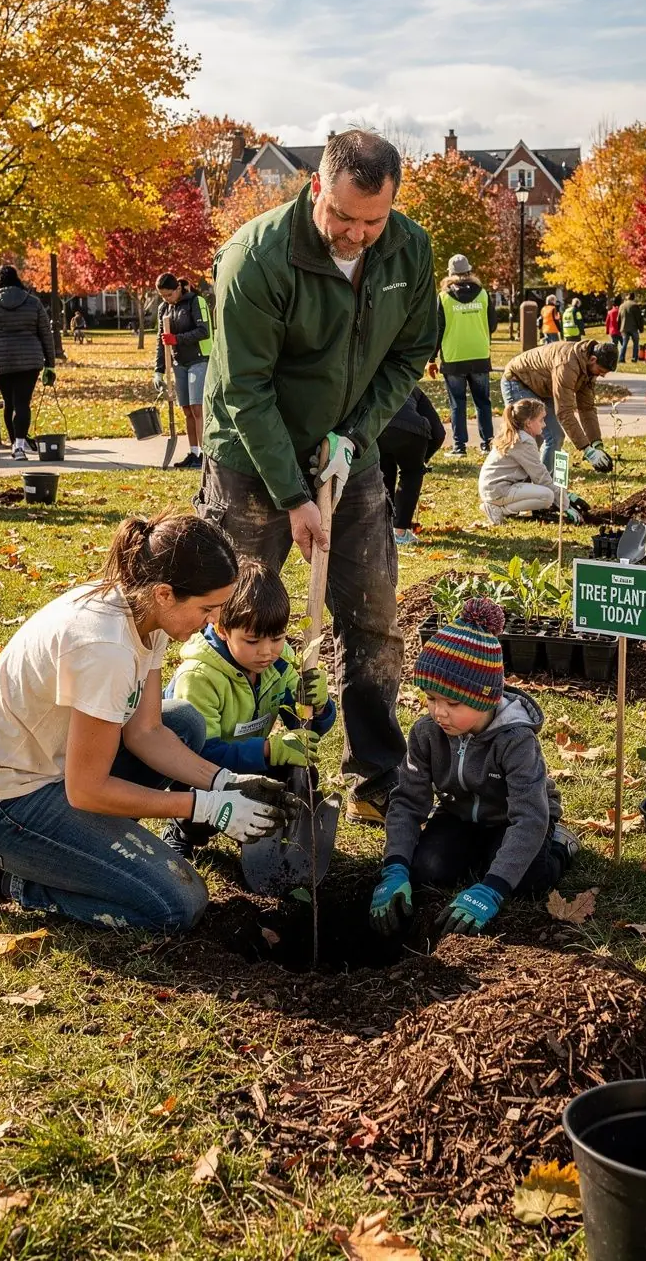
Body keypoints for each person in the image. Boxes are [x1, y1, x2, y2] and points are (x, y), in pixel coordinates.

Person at [200, 129, 438, 826]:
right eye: (343, 217)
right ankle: (227, 769)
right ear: (316, 191)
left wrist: (355, 436)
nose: (358, 234)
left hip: (348, 455)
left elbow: (411, 350)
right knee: (236, 611)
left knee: (371, 612)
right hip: (251, 457)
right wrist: (296, 497)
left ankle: (375, 775)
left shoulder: (408, 249)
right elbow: (245, 389)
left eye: (374, 221)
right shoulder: (257, 258)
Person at [0, 512, 292, 931]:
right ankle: (5, 880)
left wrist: (224, 782)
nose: (214, 622)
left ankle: (74, 851)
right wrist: (205, 806)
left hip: (55, 769)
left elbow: (148, 731)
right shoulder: (105, 649)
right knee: (177, 905)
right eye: (208, 608)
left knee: (183, 723)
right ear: (165, 593)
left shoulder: (147, 615)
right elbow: (87, 789)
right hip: (1, 798)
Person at [369, 599, 578, 938]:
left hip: (515, 819)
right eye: (431, 699)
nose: (439, 712)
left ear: (486, 699)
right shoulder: (427, 734)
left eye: (453, 703)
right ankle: (481, 854)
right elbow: (407, 802)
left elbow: (529, 817)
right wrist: (394, 867)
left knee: (526, 883)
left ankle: (560, 845)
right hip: (459, 814)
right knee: (426, 870)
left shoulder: (516, 741)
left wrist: (491, 889)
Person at [166, 557, 337, 855]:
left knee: (302, 774)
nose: (266, 652)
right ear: (221, 629)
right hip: (198, 772)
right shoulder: (199, 677)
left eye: (277, 638)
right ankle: (182, 828)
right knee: (197, 800)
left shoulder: (280, 661)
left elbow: (303, 726)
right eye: (252, 640)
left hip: (249, 758)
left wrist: (318, 708)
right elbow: (199, 755)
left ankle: (272, 842)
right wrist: (269, 750)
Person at [500, 338, 618, 475]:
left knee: (547, 436)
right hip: (518, 381)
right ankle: (538, 481)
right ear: (592, 359)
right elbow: (564, 412)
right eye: (602, 370)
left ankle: (537, 479)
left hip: (542, 387)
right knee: (549, 436)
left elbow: (586, 408)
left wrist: (596, 443)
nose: (602, 375)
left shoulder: (588, 370)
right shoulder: (567, 364)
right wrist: (587, 449)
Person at [0, 265, 55, 460]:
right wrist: (50, 363)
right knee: (22, 403)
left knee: (9, 403)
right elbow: (46, 333)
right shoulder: (32, 302)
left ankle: (15, 445)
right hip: (30, 360)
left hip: (2, 360)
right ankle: (19, 445)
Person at [478, 398, 585, 524]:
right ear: (529, 423)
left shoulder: (516, 435)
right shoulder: (524, 441)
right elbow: (540, 475)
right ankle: (499, 510)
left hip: (493, 488)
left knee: (547, 494)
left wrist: (565, 495)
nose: (544, 424)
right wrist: (565, 506)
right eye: (541, 420)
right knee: (547, 496)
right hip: (498, 489)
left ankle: (499, 507)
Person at [435, 253, 496, 456]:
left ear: (451, 274)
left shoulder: (443, 297)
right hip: (479, 355)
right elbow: (493, 324)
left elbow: (437, 329)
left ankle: (459, 447)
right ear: (469, 272)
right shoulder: (483, 294)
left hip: (454, 357)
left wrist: (431, 357)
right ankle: (488, 443)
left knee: (457, 403)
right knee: (483, 402)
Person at [153, 273, 213, 469]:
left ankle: (206, 454)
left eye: (168, 295)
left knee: (197, 408)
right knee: (186, 409)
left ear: (178, 288)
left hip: (199, 360)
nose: (166, 299)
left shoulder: (196, 302)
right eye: (162, 296)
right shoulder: (164, 309)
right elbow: (160, 342)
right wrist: (158, 370)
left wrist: (177, 339)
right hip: (179, 363)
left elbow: (204, 331)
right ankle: (194, 453)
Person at [377, 386, 446, 544]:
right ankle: (400, 531)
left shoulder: (375, 381)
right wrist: (424, 457)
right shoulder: (412, 388)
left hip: (380, 428)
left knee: (384, 472)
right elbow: (439, 433)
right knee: (412, 473)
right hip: (414, 431)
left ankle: (382, 525)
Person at [617, 293, 644, 363]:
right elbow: (639, 318)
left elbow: (618, 319)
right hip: (633, 327)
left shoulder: (622, 306)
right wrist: (641, 328)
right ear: (633, 297)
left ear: (627, 297)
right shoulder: (635, 305)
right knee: (636, 343)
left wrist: (619, 328)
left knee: (624, 343)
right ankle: (634, 358)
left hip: (624, 327)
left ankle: (621, 358)